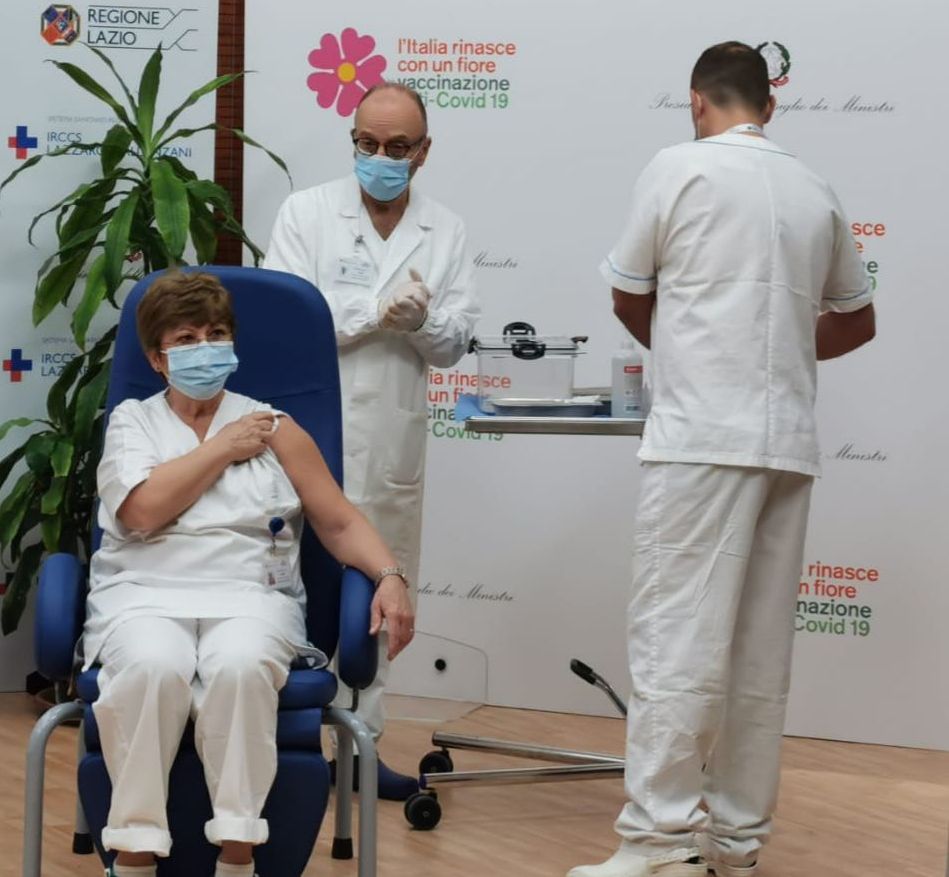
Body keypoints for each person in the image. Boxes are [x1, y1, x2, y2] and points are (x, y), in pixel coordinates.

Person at [570, 43, 876, 877]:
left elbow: (626, 292)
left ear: (696, 102)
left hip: (701, 438)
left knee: (674, 642)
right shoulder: (812, 186)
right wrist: (773, 350)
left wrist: (691, 353)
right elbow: (857, 318)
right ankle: (735, 844)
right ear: (768, 106)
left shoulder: (677, 167)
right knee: (755, 657)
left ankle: (658, 844)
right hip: (786, 445)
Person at [84, 271, 414, 877]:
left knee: (239, 667)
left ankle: (238, 852)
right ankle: (133, 852)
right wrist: (223, 447)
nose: (205, 348)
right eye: (187, 339)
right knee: (152, 667)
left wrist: (389, 575)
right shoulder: (134, 422)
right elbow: (142, 510)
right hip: (143, 594)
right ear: (157, 359)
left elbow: (338, 521)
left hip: (250, 596)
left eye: (216, 334)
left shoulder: (275, 427)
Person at [264, 82, 479, 799]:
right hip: (307, 430)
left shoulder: (446, 229)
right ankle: (283, 744)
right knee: (286, 584)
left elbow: (453, 341)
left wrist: (420, 321)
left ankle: (359, 748)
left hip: (390, 436)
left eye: (396, 147)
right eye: (367, 143)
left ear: (423, 152)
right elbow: (289, 321)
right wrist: (374, 312)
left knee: (378, 595)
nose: (380, 157)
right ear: (352, 140)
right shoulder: (306, 213)